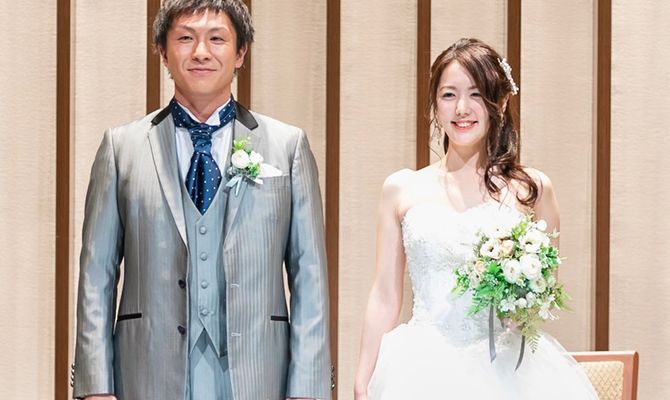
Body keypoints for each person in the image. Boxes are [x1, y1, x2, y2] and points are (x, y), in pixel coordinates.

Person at [71, 1, 331, 399]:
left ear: (241, 52)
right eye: (185, 38)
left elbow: (309, 275)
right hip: (148, 372)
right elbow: (96, 275)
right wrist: (96, 386)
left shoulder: (287, 146)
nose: (201, 52)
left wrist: (307, 387)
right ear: (163, 52)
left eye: (217, 39)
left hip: (258, 373)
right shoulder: (121, 148)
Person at [353, 38, 598, 399]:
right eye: (448, 95)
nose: (462, 108)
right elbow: (385, 295)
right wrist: (363, 378)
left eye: (476, 95)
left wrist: (521, 312)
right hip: (421, 367)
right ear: (435, 105)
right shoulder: (401, 188)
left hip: (507, 370)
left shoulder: (531, 190)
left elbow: (545, 293)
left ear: (500, 102)